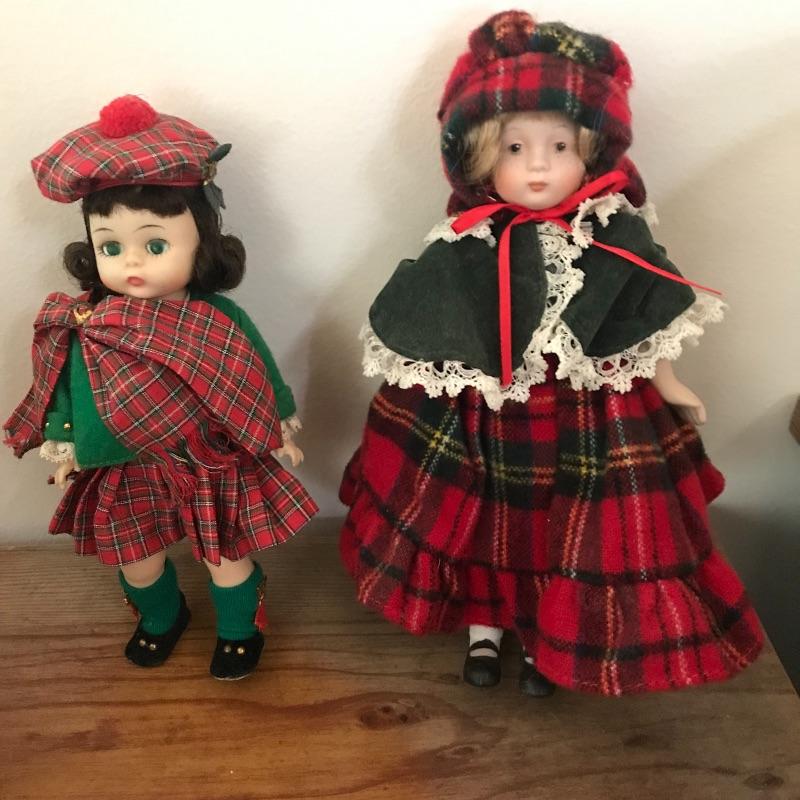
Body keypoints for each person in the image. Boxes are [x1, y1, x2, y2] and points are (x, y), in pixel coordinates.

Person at [339, 11, 763, 696]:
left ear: (591, 152)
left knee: (556, 534)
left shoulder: (612, 232)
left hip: (587, 422)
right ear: (479, 155)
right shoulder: (469, 238)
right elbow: (423, 321)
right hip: (482, 420)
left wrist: (669, 382)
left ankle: (545, 640)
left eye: (559, 145)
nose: (538, 164)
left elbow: (643, 316)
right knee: (481, 524)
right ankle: (484, 629)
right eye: (515, 147)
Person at [4, 95, 318, 680]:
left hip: (206, 458)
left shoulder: (216, 318)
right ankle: (161, 617)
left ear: (201, 241)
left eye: (155, 245)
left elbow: (252, 371)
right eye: (110, 246)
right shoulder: (89, 324)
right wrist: (67, 444)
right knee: (137, 558)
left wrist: (276, 425)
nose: (132, 263)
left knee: (224, 554)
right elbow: (70, 386)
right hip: (123, 464)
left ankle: (239, 630)